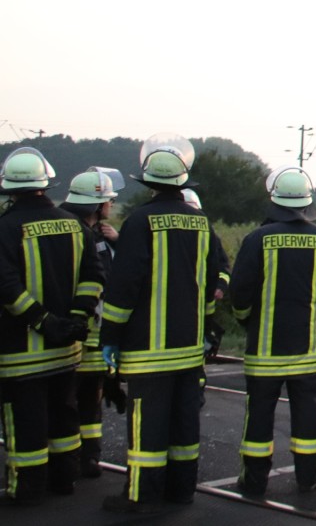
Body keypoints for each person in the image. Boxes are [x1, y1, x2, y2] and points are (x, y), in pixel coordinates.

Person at [98, 133, 230, 513]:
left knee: (148, 428)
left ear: (148, 181)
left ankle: (140, 496)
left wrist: (110, 336)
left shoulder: (139, 221)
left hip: (148, 351)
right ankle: (181, 489)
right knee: (184, 424)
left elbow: (124, 288)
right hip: (190, 349)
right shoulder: (201, 222)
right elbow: (212, 282)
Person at [229, 166, 316, 497]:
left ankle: (254, 481)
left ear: (275, 201)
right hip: (308, 351)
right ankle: (309, 478)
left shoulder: (256, 239)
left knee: (259, 417)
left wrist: (245, 319)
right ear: (307, 202)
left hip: (264, 350)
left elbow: (240, 292)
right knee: (308, 416)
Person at [0, 147, 102, 506]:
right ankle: (64, 479)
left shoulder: (5, 228)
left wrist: (44, 322)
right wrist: (76, 319)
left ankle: (25, 490)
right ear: (45, 183)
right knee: (64, 418)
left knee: (26, 426)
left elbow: (7, 287)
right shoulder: (73, 224)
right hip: (67, 351)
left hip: (21, 353)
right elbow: (93, 276)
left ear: (9, 188)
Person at [59, 168, 125, 479]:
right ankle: (75, 462)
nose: (112, 205)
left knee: (87, 402)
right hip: (76, 338)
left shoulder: (98, 234)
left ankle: (86, 458)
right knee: (72, 403)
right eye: (109, 201)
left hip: (89, 339)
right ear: (97, 204)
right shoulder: (77, 233)